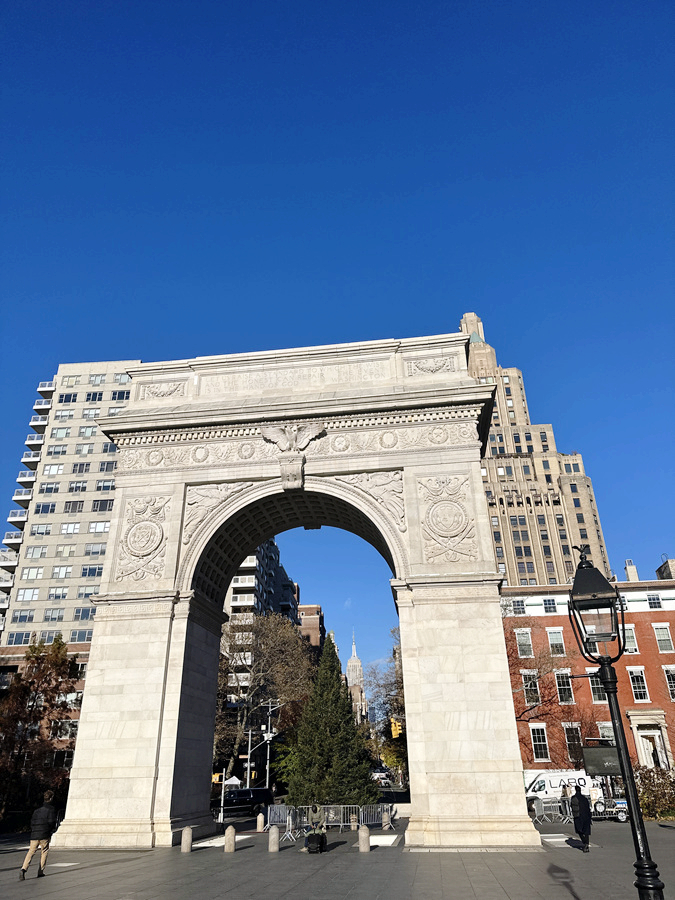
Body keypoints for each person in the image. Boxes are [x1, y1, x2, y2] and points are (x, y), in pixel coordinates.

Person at [20, 790, 57, 879]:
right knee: (44, 851)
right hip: (44, 834)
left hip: (35, 834)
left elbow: (32, 822)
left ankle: (23, 868)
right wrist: (50, 830)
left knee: (31, 851)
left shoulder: (36, 811)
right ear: (51, 798)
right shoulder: (51, 810)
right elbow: (51, 822)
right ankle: (40, 871)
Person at [570, 785, 592, 852]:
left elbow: (571, 806)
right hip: (586, 816)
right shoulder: (584, 798)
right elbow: (588, 807)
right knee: (586, 831)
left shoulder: (573, 798)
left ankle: (584, 842)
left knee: (579, 830)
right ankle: (586, 844)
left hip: (578, 816)